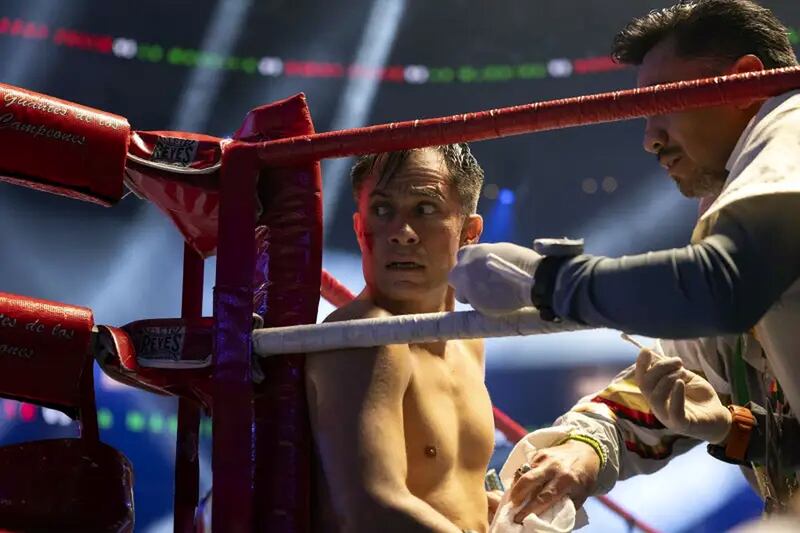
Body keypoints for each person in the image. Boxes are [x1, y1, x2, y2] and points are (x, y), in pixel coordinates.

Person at [448, 0, 800, 523]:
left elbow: (722, 287)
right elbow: (677, 374)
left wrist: (548, 283)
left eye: (664, 104)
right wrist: (583, 449)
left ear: (745, 83)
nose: (649, 138)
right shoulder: (740, 199)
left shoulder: (790, 130)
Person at [305, 144, 495, 532]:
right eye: (381, 210)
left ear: (469, 232)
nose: (401, 233)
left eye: (424, 210)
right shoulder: (367, 338)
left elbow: (448, 489)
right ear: (361, 229)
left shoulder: (468, 339)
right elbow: (373, 508)